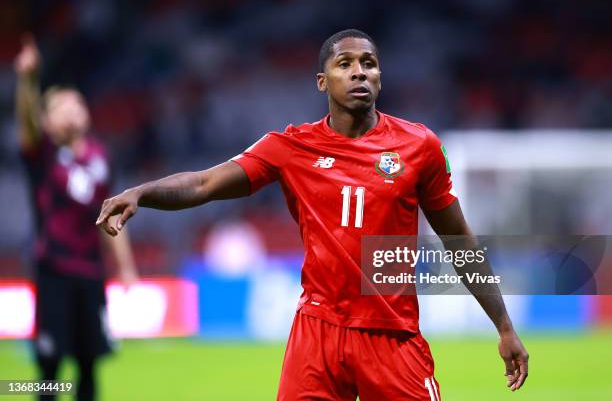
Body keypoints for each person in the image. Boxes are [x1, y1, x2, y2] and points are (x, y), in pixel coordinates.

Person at [96, 29, 528, 400]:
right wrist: (142, 193)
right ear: (323, 81)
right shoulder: (290, 148)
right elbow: (205, 184)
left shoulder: (420, 147)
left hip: (393, 336)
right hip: (318, 333)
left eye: (369, 63)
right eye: (346, 63)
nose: (360, 71)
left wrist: (504, 326)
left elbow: (459, 239)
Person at [14, 35, 139, 401]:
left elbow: (113, 218)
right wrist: (27, 80)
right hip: (54, 269)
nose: (71, 109)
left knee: (89, 364)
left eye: (76, 102)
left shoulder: (102, 157)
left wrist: (126, 267)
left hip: (91, 273)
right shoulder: (43, 154)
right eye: (61, 105)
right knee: (50, 366)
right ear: (46, 120)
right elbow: (25, 120)